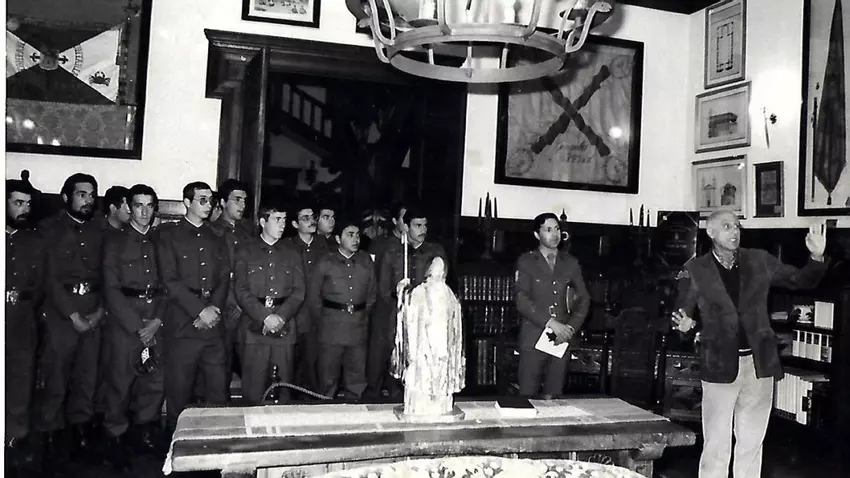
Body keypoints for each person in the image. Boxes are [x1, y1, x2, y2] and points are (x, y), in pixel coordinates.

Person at [671, 210, 828, 478]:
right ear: (710, 232)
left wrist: (816, 257)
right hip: (718, 366)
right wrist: (685, 327)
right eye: (727, 226)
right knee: (716, 445)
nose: (735, 232)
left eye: (737, 226)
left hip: (759, 365)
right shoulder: (693, 270)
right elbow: (680, 317)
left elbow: (802, 280)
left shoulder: (759, 260)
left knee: (752, 443)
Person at [35, 173, 106, 467]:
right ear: (66, 197)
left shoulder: (101, 229)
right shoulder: (48, 229)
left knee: (87, 378)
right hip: (61, 315)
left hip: (94, 311)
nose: (88, 200)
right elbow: (49, 278)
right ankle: (50, 435)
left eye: (92, 195)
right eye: (81, 194)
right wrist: (72, 315)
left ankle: (80, 431)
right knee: (56, 377)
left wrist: (100, 311)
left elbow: (108, 274)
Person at [155, 182, 230, 430]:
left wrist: (213, 310)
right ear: (187, 203)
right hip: (183, 323)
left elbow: (224, 277)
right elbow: (169, 280)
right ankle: (176, 442)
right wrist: (199, 310)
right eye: (202, 200)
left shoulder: (217, 236)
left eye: (210, 200)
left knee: (217, 391)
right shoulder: (169, 236)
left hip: (213, 325)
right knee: (179, 390)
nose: (208, 205)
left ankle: (216, 441)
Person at [101, 184, 165, 471]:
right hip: (125, 320)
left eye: (149, 205)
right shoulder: (114, 241)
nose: (144, 211)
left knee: (154, 380)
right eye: (138, 205)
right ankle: (115, 436)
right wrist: (137, 327)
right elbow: (111, 288)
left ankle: (144, 432)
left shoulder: (161, 241)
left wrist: (157, 320)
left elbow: (169, 283)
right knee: (120, 380)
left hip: (155, 317)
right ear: (128, 206)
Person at [233, 204, 305, 405]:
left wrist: (281, 316)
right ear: (263, 222)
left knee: (284, 389)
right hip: (254, 328)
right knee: (253, 390)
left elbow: (299, 291)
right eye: (277, 219)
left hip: (285, 328)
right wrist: (264, 317)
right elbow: (240, 289)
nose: (282, 225)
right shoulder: (245, 251)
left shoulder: (292, 252)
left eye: (284, 220)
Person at [514, 212, 590, 398]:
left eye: (557, 229)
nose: (555, 234)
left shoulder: (571, 263)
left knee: (554, 398)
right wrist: (550, 323)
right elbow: (521, 300)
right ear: (536, 234)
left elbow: (584, 299)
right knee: (527, 396)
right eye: (548, 229)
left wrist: (570, 328)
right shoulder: (526, 262)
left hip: (561, 340)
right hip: (533, 339)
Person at [377, 205, 447, 398]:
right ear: (406, 227)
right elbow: (383, 289)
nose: (423, 230)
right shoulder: (393, 252)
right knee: (399, 363)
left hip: (427, 319)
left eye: (425, 225)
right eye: (417, 225)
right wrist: (399, 299)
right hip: (399, 317)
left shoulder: (436, 252)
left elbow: (443, 286)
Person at [309, 216, 376, 400]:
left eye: (357, 235)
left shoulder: (365, 262)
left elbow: (371, 295)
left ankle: (354, 408)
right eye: (350, 235)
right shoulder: (325, 262)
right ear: (338, 238)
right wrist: (326, 320)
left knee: (356, 378)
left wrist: (360, 315)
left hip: (357, 328)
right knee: (327, 378)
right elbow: (314, 297)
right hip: (331, 328)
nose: (356, 239)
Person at [5, 179, 44, 470]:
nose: (25, 209)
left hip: (22, 318)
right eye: (18, 203)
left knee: (20, 380)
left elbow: (40, 285)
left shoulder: (33, 241)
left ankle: (13, 439)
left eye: (28, 204)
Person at [209, 179, 254, 394]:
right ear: (223, 202)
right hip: (224, 307)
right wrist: (231, 302)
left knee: (250, 365)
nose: (242, 205)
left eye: (245, 200)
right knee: (220, 366)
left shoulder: (248, 232)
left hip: (247, 308)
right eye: (237, 200)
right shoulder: (212, 232)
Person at [284, 203, 331, 393]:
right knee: (291, 362)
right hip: (294, 313)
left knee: (314, 363)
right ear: (295, 224)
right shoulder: (287, 247)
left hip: (318, 313)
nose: (311, 221)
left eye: (313, 217)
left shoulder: (325, 246)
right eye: (305, 218)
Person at [365, 201, 407, 399]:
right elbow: (370, 274)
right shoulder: (380, 244)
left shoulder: (413, 246)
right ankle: (373, 392)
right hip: (382, 307)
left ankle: (395, 390)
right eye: (404, 219)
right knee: (378, 353)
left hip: (404, 310)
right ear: (395, 221)